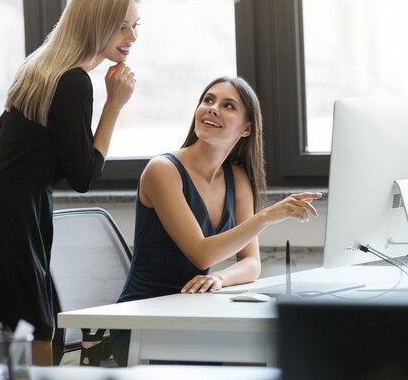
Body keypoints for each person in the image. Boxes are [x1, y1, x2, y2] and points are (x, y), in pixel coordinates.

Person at [0, 0, 140, 366]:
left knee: (2, 327)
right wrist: (114, 105)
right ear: (96, 21)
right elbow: (84, 176)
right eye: (122, 26)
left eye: (136, 26)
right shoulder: (74, 82)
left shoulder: (40, 68)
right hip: (19, 216)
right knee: (34, 327)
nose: (132, 37)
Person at [110, 76, 322, 366]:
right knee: (251, 358)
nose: (212, 108)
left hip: (190, 313)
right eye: (208, 100)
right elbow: (201, 253)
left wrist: (218, 278)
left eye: (228, 105)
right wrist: (267, 216)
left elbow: (251, 263)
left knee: (270, 354)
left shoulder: (237, 178)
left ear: (246, 128)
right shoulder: (162, 171)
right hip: (144, 323)